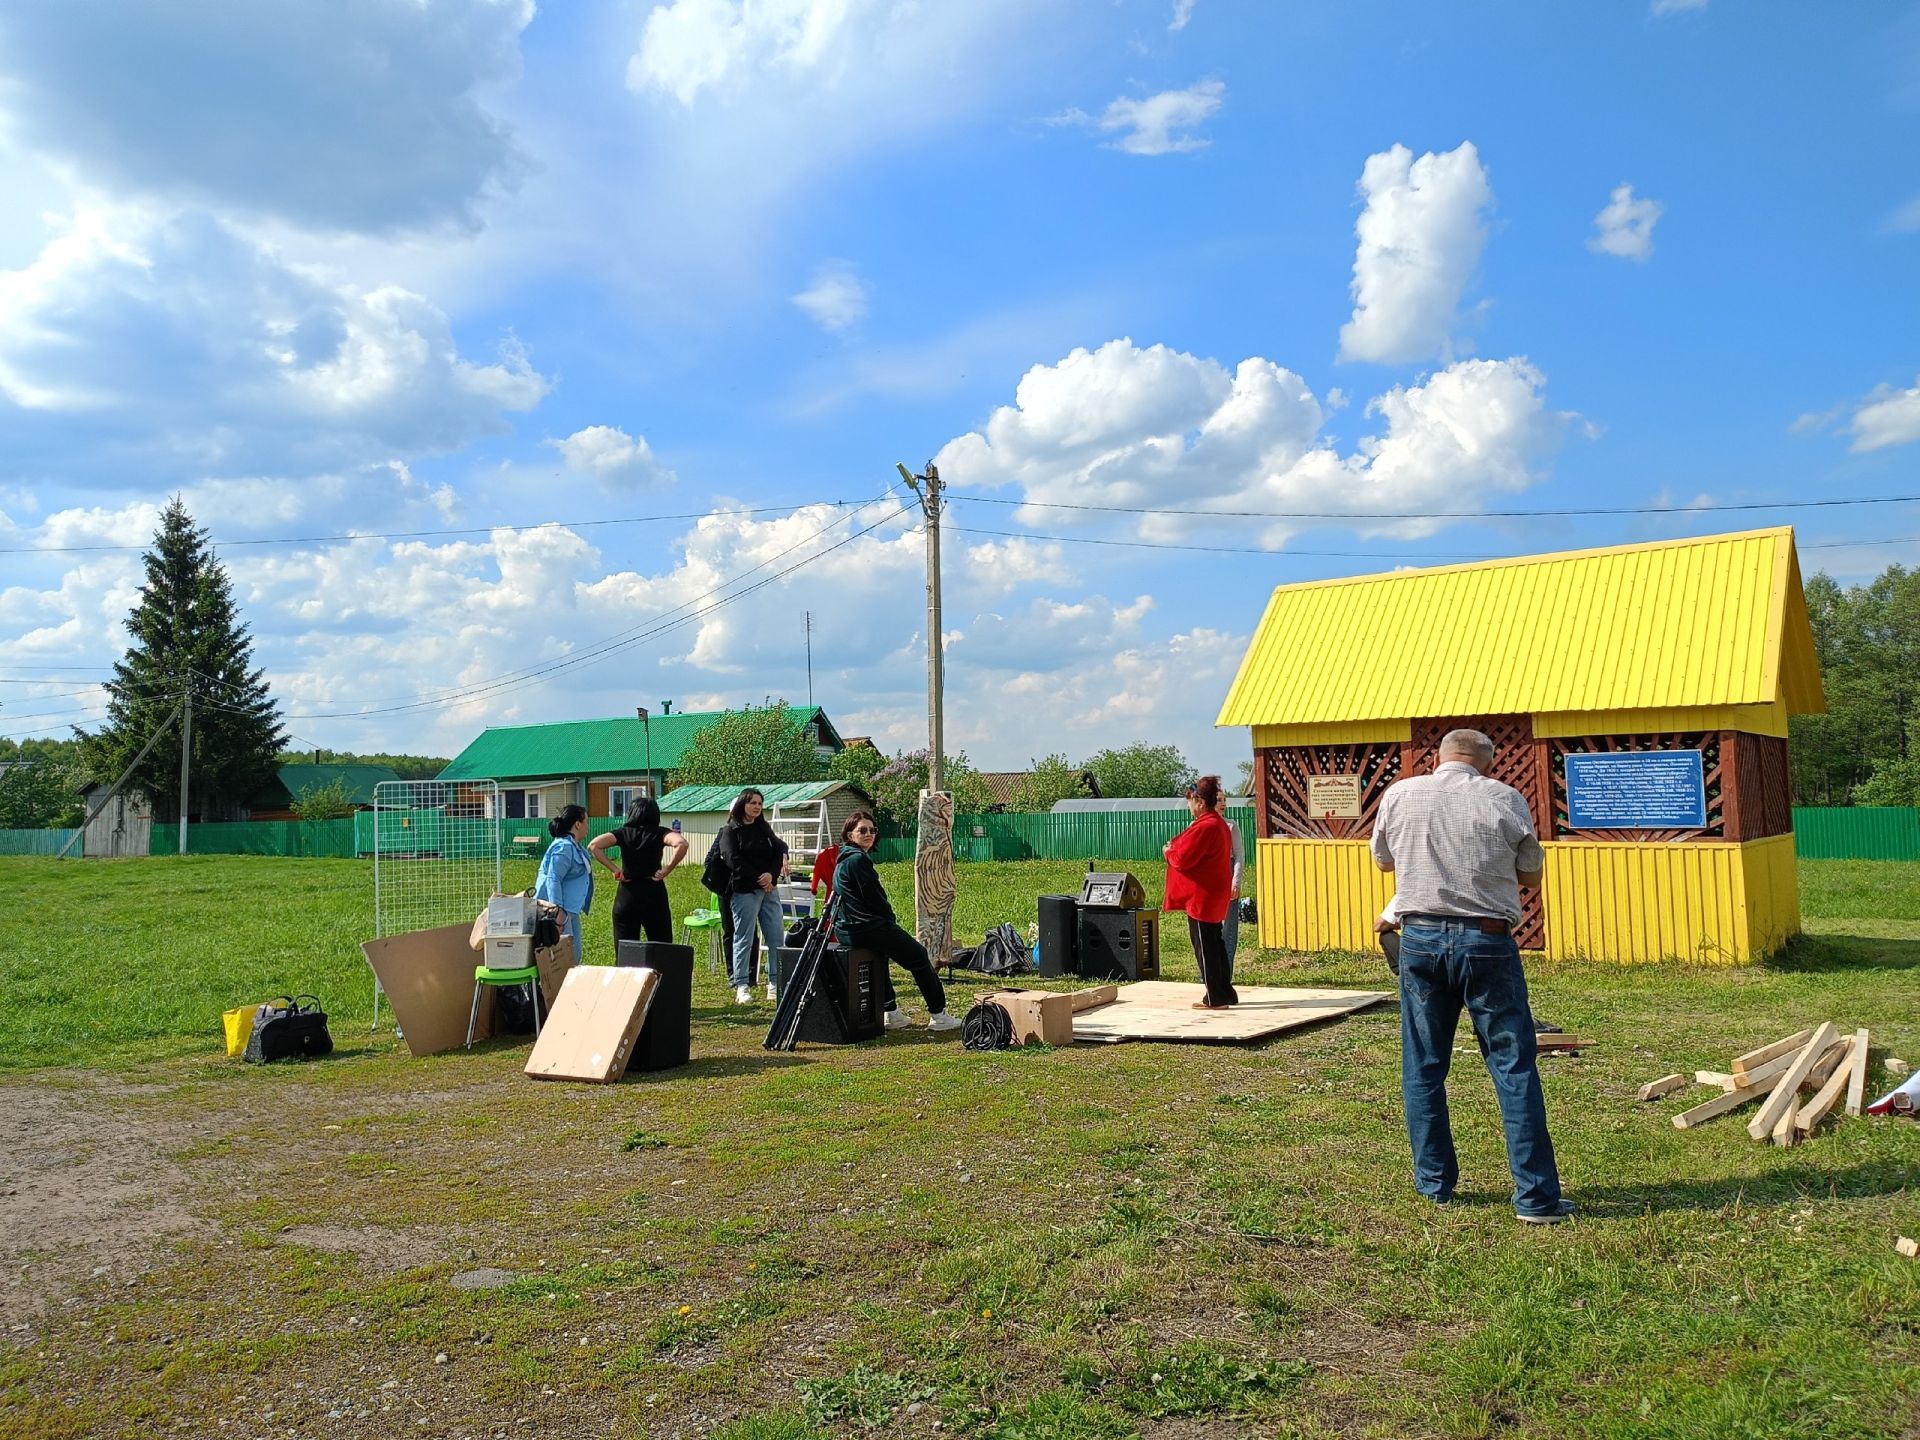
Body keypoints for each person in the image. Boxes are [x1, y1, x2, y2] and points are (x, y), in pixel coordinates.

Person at [1371, 727, 1571, 1225]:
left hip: (1418, 938)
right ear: (1486, 761)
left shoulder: (1401, 794)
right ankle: (1535, 1199)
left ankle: (1435, 1184)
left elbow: (1383, 861)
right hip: (1487, 941)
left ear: (1438, 758)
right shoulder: (1503, 797)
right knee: (1512, 1064)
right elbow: (1530, 873)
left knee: (1424, 1064)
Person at [831, 810, 961, 1032]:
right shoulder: (857, 860)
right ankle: (939, 1015)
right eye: (862, 830)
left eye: (872, 830)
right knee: (918, 956)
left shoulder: (843, 859)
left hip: (847, 929)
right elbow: (874, 899)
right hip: (867, 926)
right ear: (849, 834)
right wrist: (889, 921)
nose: (869, 834)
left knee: (880, 958)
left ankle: (891, 1013)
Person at [1162, 775, 1237, 1009]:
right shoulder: (1218, 824)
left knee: (1205, 947)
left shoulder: (1206, 826)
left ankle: (1215, 997)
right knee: (1215, 944)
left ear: (1200, 802)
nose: (1188, 806)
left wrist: (1168, 851)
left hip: (1201, 897)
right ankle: (1226, 992)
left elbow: (1183, 858)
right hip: (1212, 893)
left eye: (1190, 801)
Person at [713, 788, 789, 1005]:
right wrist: (758, 876)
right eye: (752, 802)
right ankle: (742, 984)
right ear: (742, 805)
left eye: (759, 803)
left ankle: (775, 982)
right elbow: (732, 860)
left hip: (768, 890)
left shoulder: (763, 828)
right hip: (745, 891)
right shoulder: (730, 830)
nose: (756, 807)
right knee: (744, 938)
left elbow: (779, 849)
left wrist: (771, 875)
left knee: (776, 937)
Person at [588, 794, 688, 954]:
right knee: (661, 949)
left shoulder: (623, 833)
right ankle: (660, 978)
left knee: (626, 950)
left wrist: (615, 869)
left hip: (627, 894)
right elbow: (681, 843)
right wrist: (667, 869)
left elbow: (594, 845)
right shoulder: (660, 833)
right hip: (654, 893)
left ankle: (627, 978)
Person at [533, 804, 594, 965]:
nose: (588, 826)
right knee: (564, 958)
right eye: (586, 821)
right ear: (577, 824)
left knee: (575, 954)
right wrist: (557, 911)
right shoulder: (563, 847)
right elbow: (554, 878)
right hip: (560, 912)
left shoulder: (574, 846)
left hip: (570, 910)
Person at [1216, 790, 1245, 965]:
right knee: (1208, 927)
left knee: (1228, 927)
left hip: (1226, 873)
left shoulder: (1230, 826)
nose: (1223, 803)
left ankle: (1225, 971)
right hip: (1207, 878)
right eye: (1219, 800)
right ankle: (1208, 972)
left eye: (1224, 800)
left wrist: (1236, 881)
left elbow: (1240, 855)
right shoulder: (1196, 825)